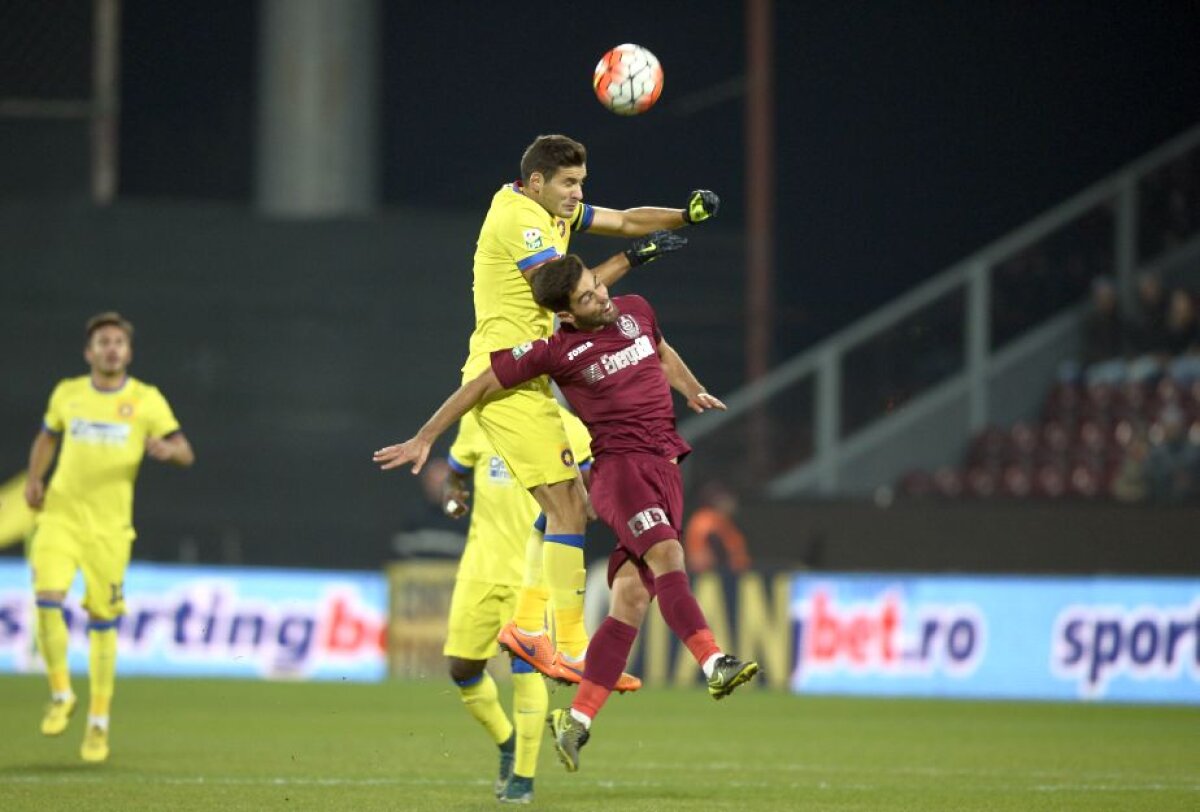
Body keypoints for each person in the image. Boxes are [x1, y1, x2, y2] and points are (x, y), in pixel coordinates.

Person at [374, 255, 759, 775]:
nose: (601, 296)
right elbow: (480, 384)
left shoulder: (637, 310)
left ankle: (576, 721)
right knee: (668, 556)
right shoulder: (558, 351)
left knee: (631, 600)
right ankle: (715, 661)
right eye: (586, 297)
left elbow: (662, 351)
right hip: (620, 473)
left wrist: (690, 389)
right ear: (565, 315)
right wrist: (426, 435)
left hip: (666, 466)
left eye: (596, 286)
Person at [462, 133, 718, 683]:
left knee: (578, 493)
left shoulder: (553, 212)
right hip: (507, 376)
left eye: (581, 182)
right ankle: (566, 644)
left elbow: (626, 220)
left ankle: (531, 624)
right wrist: (630, 260)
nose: (579, 193)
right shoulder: (520, 220)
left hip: (539, 378)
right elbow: (566, 297)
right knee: (572, 506)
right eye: (569, 183)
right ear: (536, 182)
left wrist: (684, 215)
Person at [24, 312, 194, 763]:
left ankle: (98, 724)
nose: (111, 348)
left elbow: (186, 452)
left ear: (128, 352)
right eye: (103, 341)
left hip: (110, 530)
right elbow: (47, 438)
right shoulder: (68, 393)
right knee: (46, 597)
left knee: (102, 621)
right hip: (61, 517)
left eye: (118, 341)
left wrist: (168, 450)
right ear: (89, 352)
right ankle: (61, 692)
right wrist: (35, 479)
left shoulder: (146, 400)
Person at [439, 405, 592, 804]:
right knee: (462, 669)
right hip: (479, 568)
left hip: (532, 574)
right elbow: (454, 474)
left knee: (526, 672)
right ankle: (507, 743)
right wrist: (454, 497)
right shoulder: (478, 417)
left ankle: (523, 778)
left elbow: (590, 493)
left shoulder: (567, 426)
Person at [683, 481, 752, 574]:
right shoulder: (706, 520)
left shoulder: (726, 521)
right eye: (728, 498)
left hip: (729, 574)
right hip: (710, 575)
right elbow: (707, 552)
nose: (733, 502)